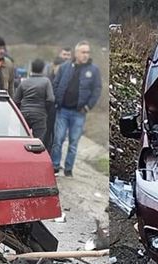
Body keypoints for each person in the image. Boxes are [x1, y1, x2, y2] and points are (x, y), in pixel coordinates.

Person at [51, 41, 102, 177]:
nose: (86, 55)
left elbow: (96, 90)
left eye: (88, 52)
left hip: (79, 113)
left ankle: (68, 169)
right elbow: (56, 84)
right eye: (83, 52)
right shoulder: (64, 67)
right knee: (58, 140)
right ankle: (55, 166)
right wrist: (57, 101)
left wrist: (88, 106)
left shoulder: (93, 70)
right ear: (76, 53)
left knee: (73, 143)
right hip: (62, 111)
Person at [14, 59, 55, 142]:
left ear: (31, 68)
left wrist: (21, 111)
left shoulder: (24, 82)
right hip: (39, 115)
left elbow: (16, 100)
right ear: (43, 69)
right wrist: (45, 110)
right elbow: (51, 99)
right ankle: (35, 155)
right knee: (38, 141)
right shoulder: (46, 81)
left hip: (24, 114)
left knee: (23, 139)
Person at [43, 46, 72, 152]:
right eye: (64, 54)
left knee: (60, 135)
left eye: (68, 55)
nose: (66, 57)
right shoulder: (50, 68)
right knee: (49, 132)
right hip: (51, 107)